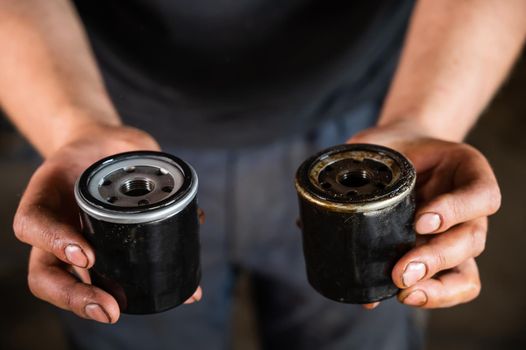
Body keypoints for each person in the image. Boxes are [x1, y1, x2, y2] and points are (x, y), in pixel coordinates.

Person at [1, 0, 521, 349]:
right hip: (101, 126)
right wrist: (71, 124)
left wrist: (423, 121)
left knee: (362, 315)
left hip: (369, 134)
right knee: (127, 318)